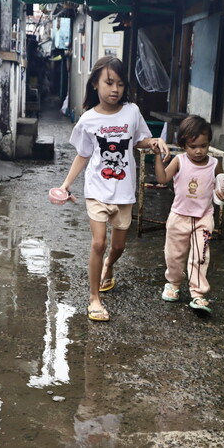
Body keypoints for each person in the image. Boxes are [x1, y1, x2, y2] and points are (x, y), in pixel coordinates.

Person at [55, 55, 170, 322]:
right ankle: (94, 298)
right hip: (97, 189)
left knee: (118, 247)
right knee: (99, 242)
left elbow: (140, 141)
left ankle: (109, 265)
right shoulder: (88, 119)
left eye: (119, 83)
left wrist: (153, 142)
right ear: (95, 83)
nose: (115, 89)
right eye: (109, 82)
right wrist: (66, 184)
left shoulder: (132, 112)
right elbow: (83, 154)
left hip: (124, 192)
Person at [152, 115, 224, 313]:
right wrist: (157, 157)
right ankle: (174, 284)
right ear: (183, 145)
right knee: (174, 254)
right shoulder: (179, 161)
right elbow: (162, 179)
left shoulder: (214, 164)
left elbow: (222, 190)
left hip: (203, 217)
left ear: (209, 144)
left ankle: (197, 293)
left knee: (200, 256)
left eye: (203, 146)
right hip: (179, 215)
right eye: (192, 146)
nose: (198, 151)